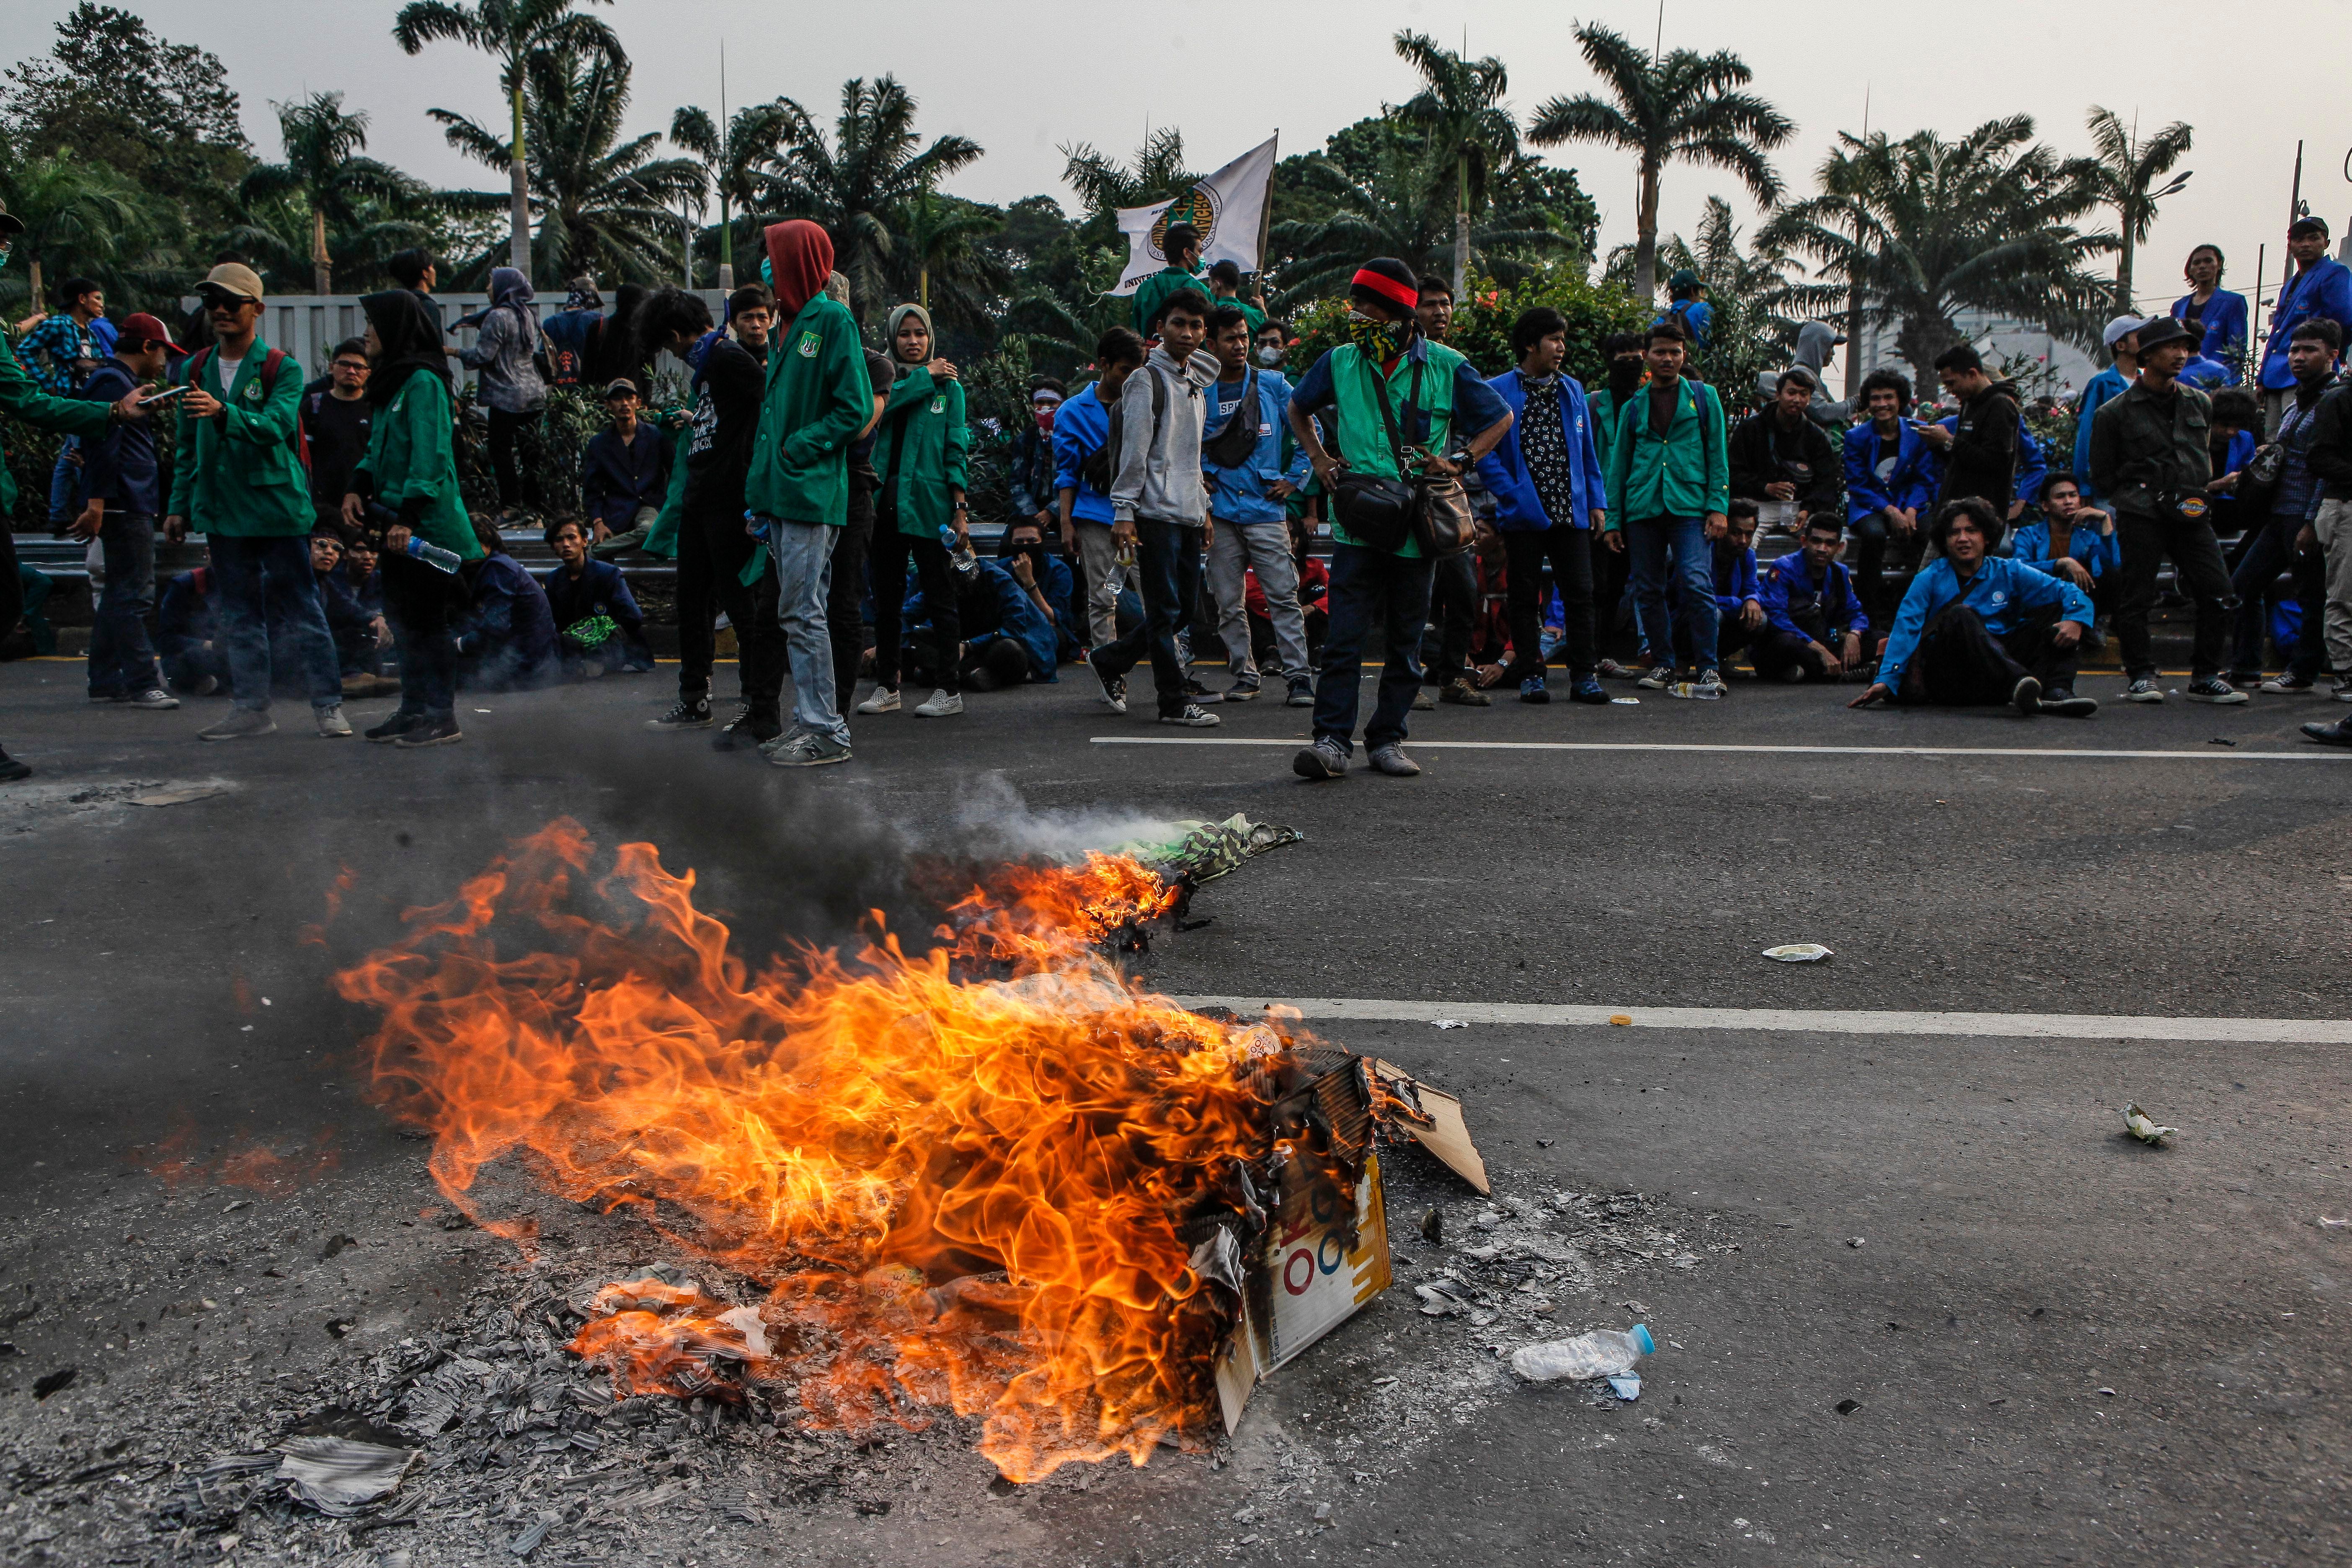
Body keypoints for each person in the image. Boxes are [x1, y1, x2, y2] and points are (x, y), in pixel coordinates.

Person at [1284, 256, 1513, 779]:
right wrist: (1319, 459)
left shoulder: (1446, 365)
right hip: (1357, 525)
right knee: (1342, 637)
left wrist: (1460, 462)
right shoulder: (1341, 360)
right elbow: (1297, 409)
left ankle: (1386, 739)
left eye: (1365, 306)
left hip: (1417, 529)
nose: (1356, 314)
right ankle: (1330, 742)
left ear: (1396, 313)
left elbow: (1500, 416)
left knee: (1406, 642)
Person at [165, 262, 350, 741]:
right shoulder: (195, 366)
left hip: (276, 510)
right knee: (240, 614)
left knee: (304, 609)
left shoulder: (280, 367)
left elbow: (276, 426)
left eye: (232, 302)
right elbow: (187, 444)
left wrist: (224, 412)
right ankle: (251, 709)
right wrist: (178, 506)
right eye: (212, 302)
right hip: (223, 512)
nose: (221, 310)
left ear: (257, 309)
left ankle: (328, 706)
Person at [744, 219, 874, 768]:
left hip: (810, 490)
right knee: (799, 610)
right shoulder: (789, 325)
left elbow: (855, 408)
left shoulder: (831, 319)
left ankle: (825, 730)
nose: (767, 268)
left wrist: (802, 447)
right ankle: (811, 722)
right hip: (784, 493)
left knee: (802, 611)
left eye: (775, 257)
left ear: (797, 262)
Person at [642, 284, 789, 742]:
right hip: (700, 498)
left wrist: (751, 471)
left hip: (727, 499)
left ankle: (755, 703)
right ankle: (694, 700)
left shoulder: (726, 357)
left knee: (739, 604)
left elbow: (772, 401)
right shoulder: (707, 367)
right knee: (693, 601)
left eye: (669, 345)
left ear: (675, 334)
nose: (673, 353)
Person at [341, 286, 485, 745]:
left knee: (427, 622)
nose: (366, 334)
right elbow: (377, 451)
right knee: (402, 621)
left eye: (372, 326)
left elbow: (430, 457)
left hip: (426, 528)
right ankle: (413, 709)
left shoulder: (424, 382)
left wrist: (407, 516)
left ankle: (442, 715)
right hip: (396, 525)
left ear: (395, 330)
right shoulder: (391, 383)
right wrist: (356, 487)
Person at [2086, 314, 2241, 704]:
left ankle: (2206, 676)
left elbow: (2201, 455)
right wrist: (2139, 486)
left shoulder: (2199, 402)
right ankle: (2140, 674)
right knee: (2136, 595)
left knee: (2218, 592)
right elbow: (2101, 474)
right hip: (2142, 512)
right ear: (2147, 355)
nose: (2180, 354)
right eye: (2171, 347)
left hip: (2190, 510)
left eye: (2184, 347)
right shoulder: (2114, 412)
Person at [1085, 289, 1223, 727]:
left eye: (1196, 325)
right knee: (1164, 611)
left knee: (1182, 610)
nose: (1187, 332)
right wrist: (1124, 511)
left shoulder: (1194, 386)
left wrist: (1203, 509)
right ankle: (1173, 702)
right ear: (1160, 328)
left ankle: (1110, 659)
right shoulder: (1146, 380)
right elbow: (1135, 452)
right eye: (1179, 323)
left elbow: (1193, 456)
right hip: (1153, 511)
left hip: (1185, 511)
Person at [1476, 304, 1611, 704]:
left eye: (1562, 340)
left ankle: (1584, 675)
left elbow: (1587, 453)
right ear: (1530, 344)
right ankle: (1530, 674)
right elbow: (1485, 454)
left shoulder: (1572, 389)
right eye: (1554, 340)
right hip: (1523, 513)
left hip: (1571, 510)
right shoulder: (1498, 390)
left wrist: (1596, 502)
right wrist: (1512, 494)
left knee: (1580, 594)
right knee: (1523, 594)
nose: (1561, 348)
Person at [1853, 498, 2096, 716]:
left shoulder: (2008, 570)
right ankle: (2020, 684)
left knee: (2060, 607)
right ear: (1945, 542)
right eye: (1954, 533)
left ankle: (2057, 691)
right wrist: (1886, 680)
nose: (1963, 539)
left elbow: (2068, 591)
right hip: (1953, 677)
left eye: (1971, 531)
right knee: (1961, 614)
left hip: (1995, 675)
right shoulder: (1930, 577)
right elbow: (1905, 629)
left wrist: (2075, 619)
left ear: (1987, 537)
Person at [1601, 319, 1730, 694]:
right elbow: (1618, 465)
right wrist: (1613, 520)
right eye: (1660, 352)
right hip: (1643, 505)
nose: (1668, 359)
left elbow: (1717, 455)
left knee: (1696, 582)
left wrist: (1718, 507)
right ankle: (1664, 664)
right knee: (1648, 588)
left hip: (1690, 505)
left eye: (1675, 352)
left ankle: (1708, 666)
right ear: (1647, 356)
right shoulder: (1633, 406)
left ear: (1683, 355)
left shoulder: (1705, 398)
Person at [859, 302, 972, 720]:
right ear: (892, 337)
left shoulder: (951, 390)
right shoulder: (881, 381)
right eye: (904, 334)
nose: (912, 342)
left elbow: (955, 450)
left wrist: (960, 510)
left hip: (930, 506)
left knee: (940, 596)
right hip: (883, 504)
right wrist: (924, 376)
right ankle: (888, 686)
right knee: (886, 600)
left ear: (930, 338)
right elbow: (879, 412)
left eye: (919, 334)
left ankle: (949, 689)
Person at [1200, 303, 1313, 705]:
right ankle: (1244, 676)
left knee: (1283, 596)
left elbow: (1307, 426)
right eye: (1230, 338)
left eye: (1244, 337)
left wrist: (1295, 479)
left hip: (1267, 509)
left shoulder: (1274, 385)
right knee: (1227, 601)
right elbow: (1183, 442)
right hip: (1222, 512)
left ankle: (1299, 677)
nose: (1241, 345)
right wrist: (1201, 475)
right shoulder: (1199, 392)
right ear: (1211, 343)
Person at [75, 312, 175, 710]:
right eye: (164, 351)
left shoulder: (117, 382)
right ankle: (141, 682)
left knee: (121, 591)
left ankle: (104, 678)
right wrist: (97, 502)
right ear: (149, 347)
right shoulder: (111, 382)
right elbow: (100, 444)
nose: (166, 361)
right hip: (123, 500)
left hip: (126, 499)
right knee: (133, 595)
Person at [2229, 321, 2336, 691]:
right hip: (2278, 513)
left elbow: (2326, 466)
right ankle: (2245, 667)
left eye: (2310, 350)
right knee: (2242, 586)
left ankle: (2303, 673)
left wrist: (2310, 522)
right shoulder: (2296, 402)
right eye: (2294, 350)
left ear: (2332, 355)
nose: (2299, 358)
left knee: (2310, 596)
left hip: (2305, 514)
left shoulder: (2332, 401)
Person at [827, 270, 897, 721]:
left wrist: (803, 441)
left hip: (851, 487)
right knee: (786, 604)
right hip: (799, 489)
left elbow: (858, 425)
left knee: (843, 600)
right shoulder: (795, 358)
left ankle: (835, 708)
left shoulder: (874, 366)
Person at [1054, 329, 1148, 655]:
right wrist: (1067, 524)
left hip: (1142, 513)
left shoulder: (1148, 403)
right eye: (1125, 371)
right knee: (1102, 597)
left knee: (1158, 599)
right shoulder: (1072, 412)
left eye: (1139, 371)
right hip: (1095, 514)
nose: (1131, 379)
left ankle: (1174, 670)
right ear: (1104, 365)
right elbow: (1066, 472)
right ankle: (1107, 668)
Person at [1841, 368, 1936, 626]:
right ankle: (1869, 611)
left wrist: (1912, 509)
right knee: (1873, 535)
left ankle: (1921, 604)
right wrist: (1890, 511)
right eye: (1875, 398)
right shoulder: (1856, 437)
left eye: (1888, 397)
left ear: (1901, 400)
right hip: (1870, 505)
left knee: (1929, 536)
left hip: (1909, 502)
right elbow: (1858, 484)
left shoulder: (1919, 432)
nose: (1882, 404)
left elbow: (1924, 478)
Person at [454, 265, 548, 523]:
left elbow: (482, 356)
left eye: (490, 284)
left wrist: (454, 352)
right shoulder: (527, 314)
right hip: (534, 393)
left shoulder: (498, 317)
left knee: (501, 451)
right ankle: (536, 506)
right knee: (531, 452)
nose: (487, 289)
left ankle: (511, 507)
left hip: (506, 396)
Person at [20, 276, 108, 532]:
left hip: (87, 399)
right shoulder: (59, 324)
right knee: (77, 453)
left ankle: (62, 514)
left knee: (71, 455)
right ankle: (74, 513)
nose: (102, 305)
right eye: (97, 298)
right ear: (82, 299)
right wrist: (47, 385)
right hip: (69, 399)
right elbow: (26, 351)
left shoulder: (89, 330)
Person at [1585, 331, 1648, 671]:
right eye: (1621, 355)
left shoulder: (1647, 403)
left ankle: (1604, 653)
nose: (1629, 362)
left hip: (1635, 507)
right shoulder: (1591, 403)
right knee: (1594, 584)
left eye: (1635, 356)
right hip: (1594, 508)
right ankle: (1589, 654)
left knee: (1618, 583)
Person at [2260, 217, 2352, 432]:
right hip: (2276, 372)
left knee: (2301, 433)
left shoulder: (2334, 273)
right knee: (2273, 439)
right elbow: (2277, 332)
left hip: (2309, 371)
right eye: (2299, 240)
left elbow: (2345, 321)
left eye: (2314, 238)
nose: (2306, 244)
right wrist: (2262, 376)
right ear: (2290, 246)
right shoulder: (2291, 284)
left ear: (2326, 243)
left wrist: (2333, 356)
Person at [1754, 515, 1869, 682]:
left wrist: (1855, 634)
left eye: (1830, 544)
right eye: (1816, 541)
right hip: (1793, 639)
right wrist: (1820, 650)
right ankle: (1838, 673)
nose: (1822, 549)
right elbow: (1776, 618)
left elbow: (1856, 611)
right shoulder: (1784, 567)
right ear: (1804, 541)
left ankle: (1812, 672)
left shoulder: (1840, 572)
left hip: (1823, 638)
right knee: (1786, 643)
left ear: (1839, 547)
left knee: (1878, 639)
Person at [1729, 367, 1841, 534]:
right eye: (1791, 393)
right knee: (1746, 542)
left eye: (1803, 394)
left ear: (1810, 399)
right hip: (1758, 505)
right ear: (1778, 394)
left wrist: (1808, 508)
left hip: (1800, 507)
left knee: (1832, 542)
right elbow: (1733, 472)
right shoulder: (1750, 430)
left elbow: (1826, 482)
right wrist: (1765, 487)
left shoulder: (1816, 437)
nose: (1797, 399)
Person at [450, 521, 560, 691]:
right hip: (522, 655)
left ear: (486, 545)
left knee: (438, 675)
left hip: (526, 663)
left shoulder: (498, 568)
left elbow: (496, 627)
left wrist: (459, 644)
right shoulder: (487, 567)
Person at [541, 516, 653, 676]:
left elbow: (633, 616)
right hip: (573, 644)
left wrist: (597, 631)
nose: (566, 544)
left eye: (572, 537)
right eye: (559, 540)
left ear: (585, 541)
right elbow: (552, 622)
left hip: (607, 642)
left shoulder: (608, 574)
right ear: (554, 547)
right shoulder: (554, 580)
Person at [1920, 344, 2021, 517]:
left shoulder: (2000, 405)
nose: (1950, 391)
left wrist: (1948, 441)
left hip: (1982, 512)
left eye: (1952, 383)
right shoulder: (1970, 403)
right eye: (1946, 386)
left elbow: (1995, 462)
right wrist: (1937, 444)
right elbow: (1961, 458)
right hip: (1957, 505)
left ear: (1973, 374)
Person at [299, 338, 374, 533]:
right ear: (332, 367)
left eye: (359, 367)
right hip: (320, 508)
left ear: (368, 373)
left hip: (364, 506)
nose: (351, 371)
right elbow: (299, 458)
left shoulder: (375, 410)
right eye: (345, 364)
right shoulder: (313, 407)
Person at [2011, 473, 2120, 605]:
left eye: (2073, 495)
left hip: (2074, 603)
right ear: (2045, 506)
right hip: (2037, 603)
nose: (2068, 502)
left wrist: (2105, 520)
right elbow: (2019, 570)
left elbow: (2109, 569)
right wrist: (2062, 563)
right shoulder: (2028, 535)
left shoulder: (2087, 538)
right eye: (2060, 497)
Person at [581, 379, 667, 544]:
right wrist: (598, 522)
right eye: (618, 399)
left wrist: (672, 508)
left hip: (650, 506)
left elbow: (675, 473)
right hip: (617, 512)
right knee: (605, 540)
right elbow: (593, 490)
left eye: (629, 398)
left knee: (649, 530)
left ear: (638, 403)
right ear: (608, 405)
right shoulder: (599, 444)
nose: (625, 403)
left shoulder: (656, 436)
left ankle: (596, 553)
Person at [2072, 318, 2140, 506]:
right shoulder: (2102, 384)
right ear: (2121, 345)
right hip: (2108, 488)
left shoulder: (2147, 385)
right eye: (2139, 336)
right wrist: (2084, 486)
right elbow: (2086, 434)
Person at [2173, 244, 2248, 380]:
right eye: (2197, 263)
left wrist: (2230, 384)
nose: (2202, 266)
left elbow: (2237, 349)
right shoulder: (2179, 306)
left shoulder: (2233, 303)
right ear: (2190, 269)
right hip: (2181, 378)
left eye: (2208, 261)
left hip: (2215, 379)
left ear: (2219, 265)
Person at [1006, 377, 1064, 540]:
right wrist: (1031, 514)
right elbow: (1017, 483)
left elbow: (1075, 479)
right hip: (1028, 512)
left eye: (1052, 402)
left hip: (1063, 512)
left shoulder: (1070, 438)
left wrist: (1052, 512)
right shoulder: (1025, 439)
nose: (1045, 408)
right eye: (1040, 402)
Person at [155, 567, 226, 697]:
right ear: (208, 553)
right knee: (194, 657)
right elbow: (166, 639)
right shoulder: (186, 584)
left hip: (223, 655)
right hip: (186, 657)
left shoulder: (241, 583)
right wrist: (207, 645)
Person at [1131, 221, 1204, 336]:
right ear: (1187, 253)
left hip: (1151, 354)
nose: (1201, 257)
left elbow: (1136, 332)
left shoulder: (1144, 289)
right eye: (1200, 251)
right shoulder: (1200, 290)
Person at [540, 278, 602, 388]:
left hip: (560, 390)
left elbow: (545, 357)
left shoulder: (550, 323)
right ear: (590, 298)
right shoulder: (598, 320)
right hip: (590, 387)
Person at [1659, 270, 1713, 361]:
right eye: (1700, 291)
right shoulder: (1704, 309)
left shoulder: (1659, 321)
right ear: (1692, 291)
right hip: (1702, 372)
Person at [1205, 259, 1268, 336]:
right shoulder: (1255, 315)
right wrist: (1263, 311)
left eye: (1210, 284)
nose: (1210, 287)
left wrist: (1210, 294)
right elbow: (1268, 334)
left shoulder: (1210, 310)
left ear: (1217, 284)